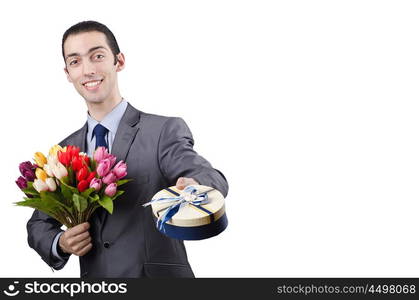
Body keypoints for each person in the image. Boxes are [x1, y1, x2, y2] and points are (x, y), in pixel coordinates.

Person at [26, 20, 228, 278]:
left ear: (118, 61)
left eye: (97, 56)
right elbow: (39, 223)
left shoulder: (162, 131)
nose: (88, 69)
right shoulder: (63, 151)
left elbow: (207, 174)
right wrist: (61, 243)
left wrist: (195, 186)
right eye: (75, 61)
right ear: (68, 73)